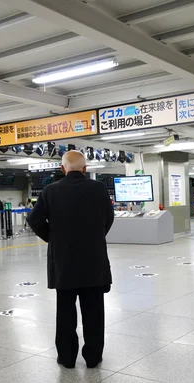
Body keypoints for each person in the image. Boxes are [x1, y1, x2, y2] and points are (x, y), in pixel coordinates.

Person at [26, 151, 114, 369]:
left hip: (63, 262)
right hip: (93, 262)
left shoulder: (50, 190)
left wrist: (52, 237)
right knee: (94, 312)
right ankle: (93, 357)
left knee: (65, 312)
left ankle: (67, 358)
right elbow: (108, 219)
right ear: (85, 169)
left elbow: (33, 219)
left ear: (62, 168)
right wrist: (95, 237)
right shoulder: (98, 189)